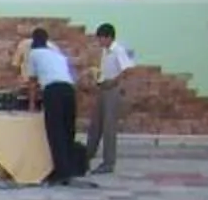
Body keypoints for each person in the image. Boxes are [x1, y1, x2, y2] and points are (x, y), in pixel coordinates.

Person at [23, 28, 82, 183]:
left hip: (53, 91)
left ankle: (61, 172)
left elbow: (32, 82)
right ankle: (69, 168)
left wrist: (31, 104)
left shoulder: (34, 54)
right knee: (68, 130)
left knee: (56, 132)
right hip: (69, 90)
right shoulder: (57, 54)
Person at [90, 23, 136, 176]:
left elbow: (127, 69)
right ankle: (87, 155)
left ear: (109, 37)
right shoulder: (105, 51)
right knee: (96, 124)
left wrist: (114, 81)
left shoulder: (118, 50)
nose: (99, 41)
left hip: (112, 89)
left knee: (109, 127)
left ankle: (108, 162)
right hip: (103, 87)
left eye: (101, 38)